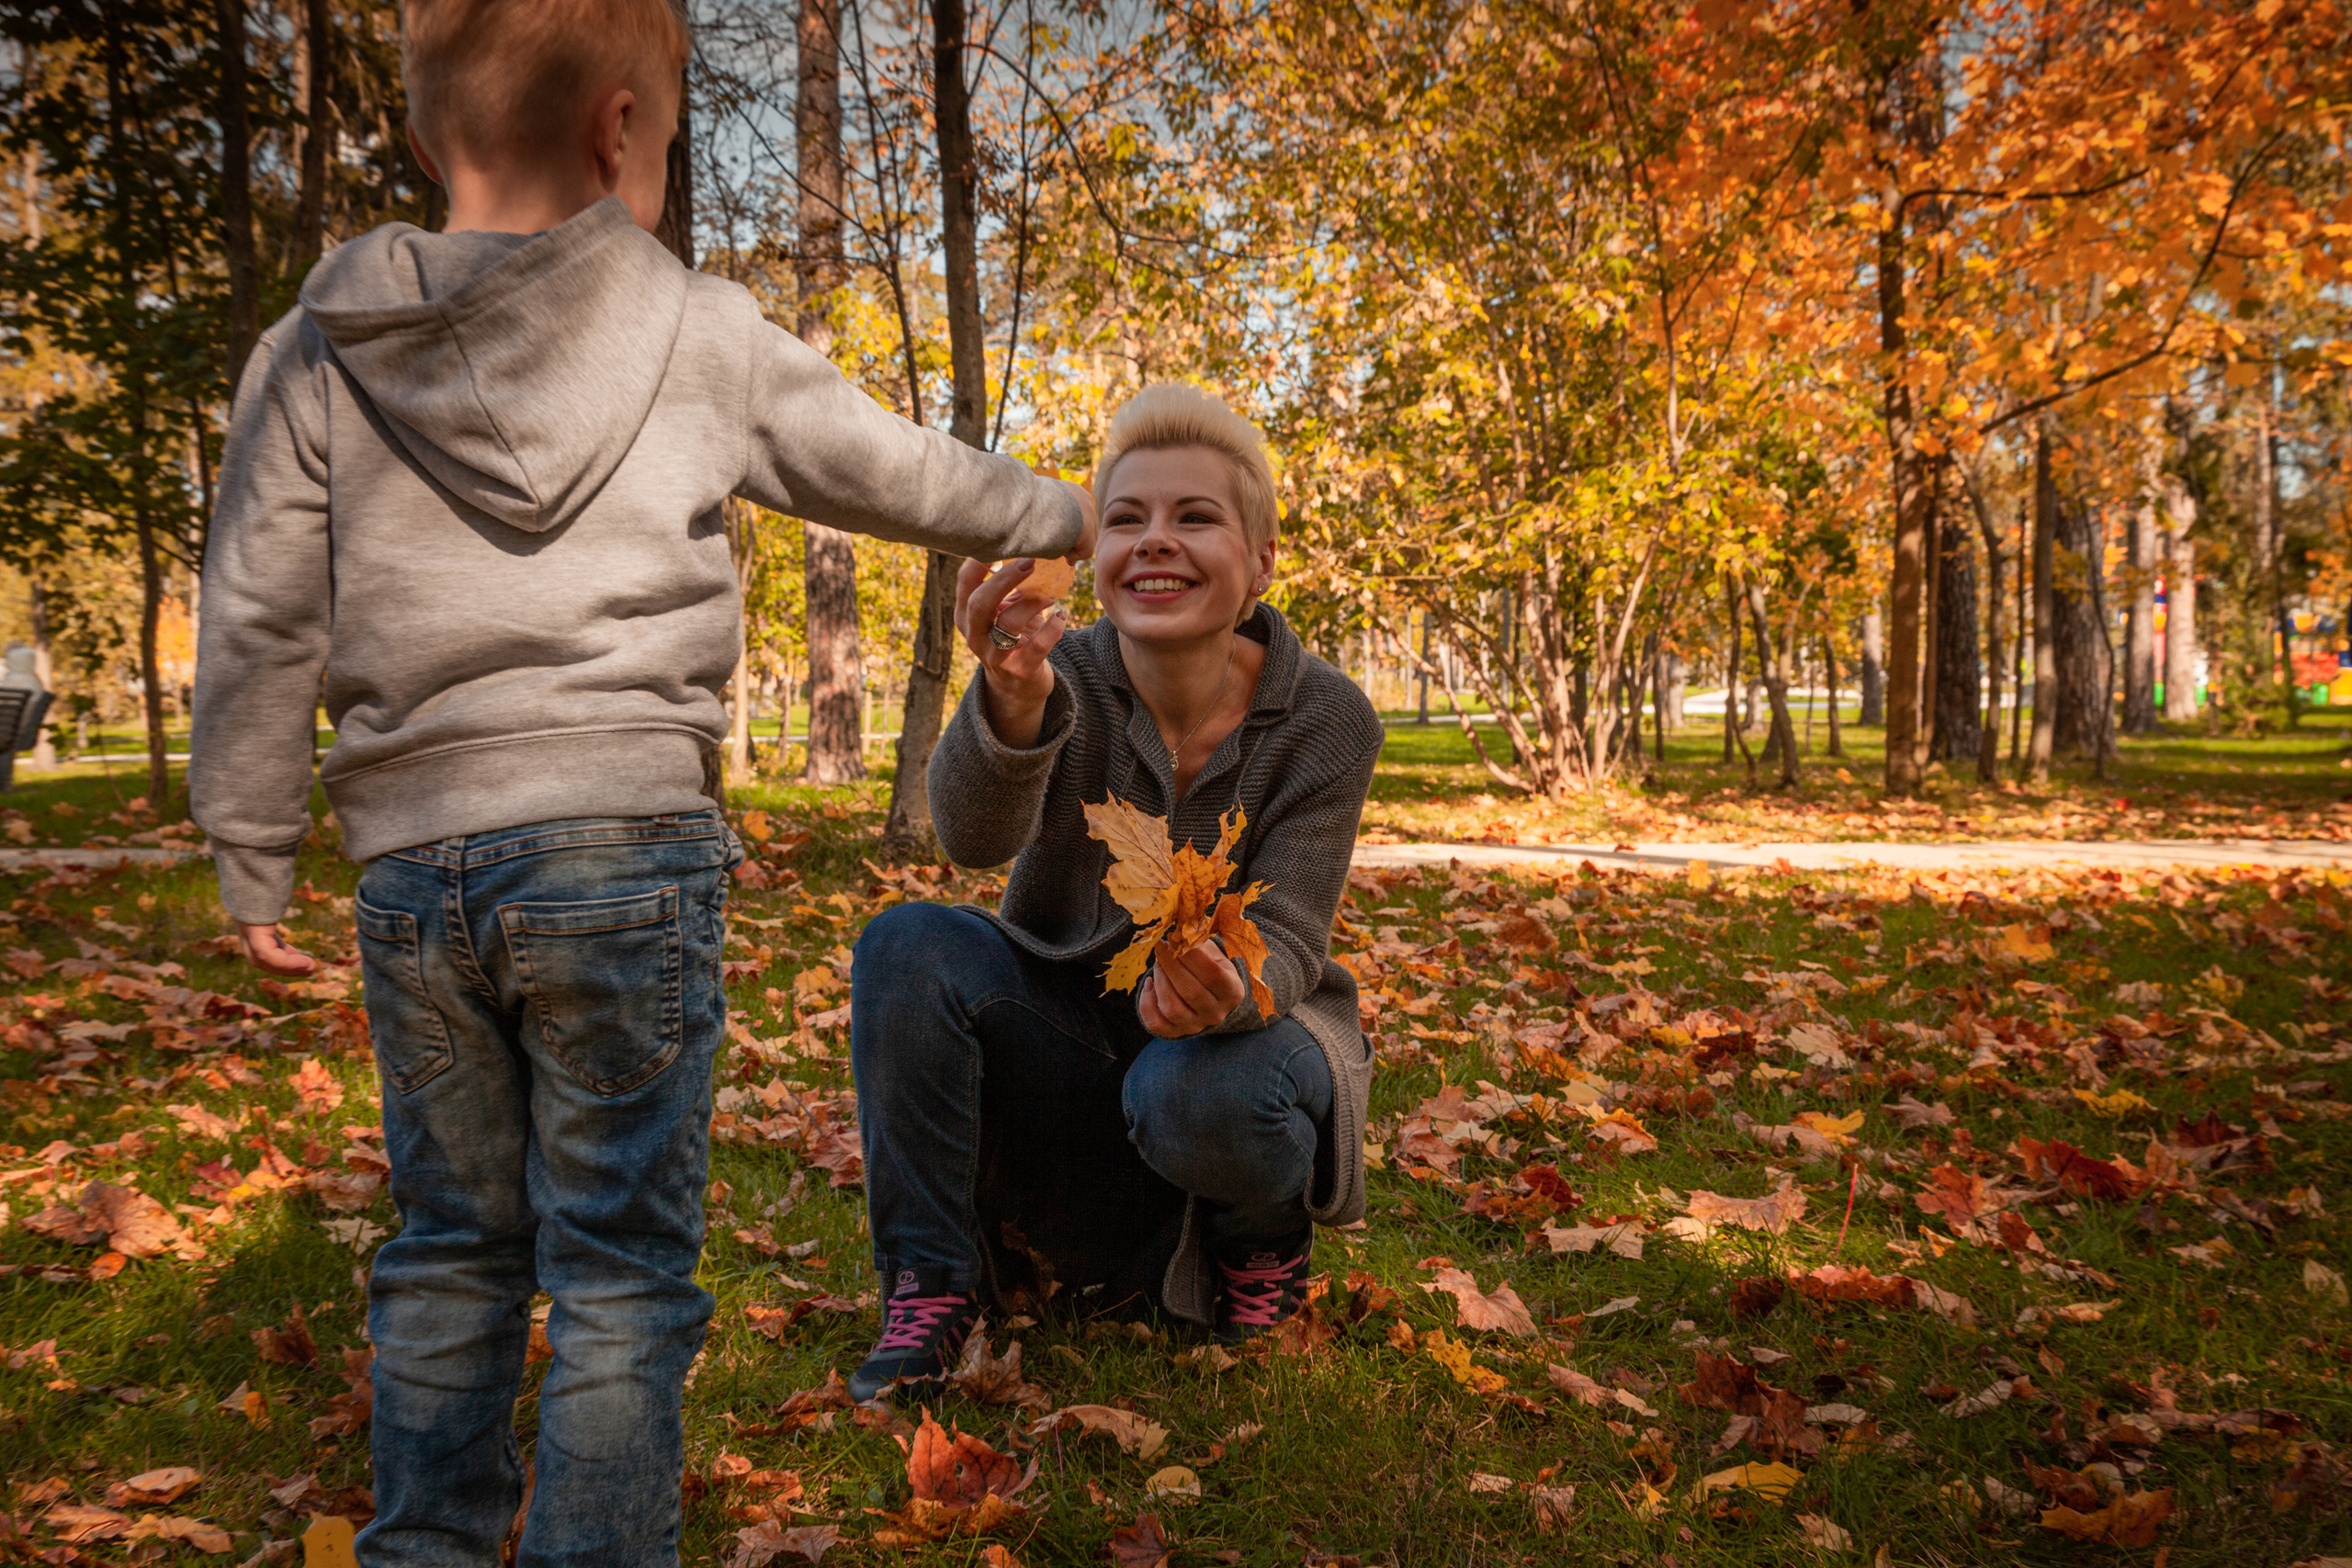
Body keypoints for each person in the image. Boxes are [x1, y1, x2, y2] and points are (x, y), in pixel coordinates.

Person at [187, 1, 1094, 1562]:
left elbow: (260, 612)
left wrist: (252, 841)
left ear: (422, 140)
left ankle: (426, 1546)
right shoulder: (692, 330)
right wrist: (1070, 508)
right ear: (620, 134)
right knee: (617, 1264)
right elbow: (893, 468)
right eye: (667, 139)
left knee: (451, 1244)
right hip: (621, 859)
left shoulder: (316, 351)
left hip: (417, 872)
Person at [846, 384, 1383, 1400]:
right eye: (1126, 519)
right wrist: (1008, 705)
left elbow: (1295, 930)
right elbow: (969, 838)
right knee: (906, 946)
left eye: (1195, 517)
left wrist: (1225, 984)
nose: (1154, 542)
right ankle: (930, 1283)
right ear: (1093, 562)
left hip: (1236, 1044)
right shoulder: (1062, 677)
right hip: (1071, 1027)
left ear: (1260, 560)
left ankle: (1258, 1251)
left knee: (1199, 1084)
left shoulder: (1328, 720)